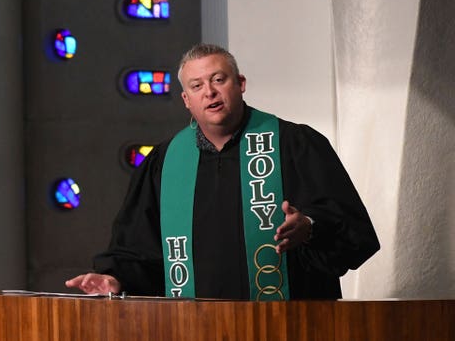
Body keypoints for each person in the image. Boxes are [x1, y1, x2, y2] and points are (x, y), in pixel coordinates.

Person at [65, 43, 379, 300]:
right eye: (197, 86)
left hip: (292, 325)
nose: (210, 92)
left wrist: (309, 228)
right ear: (187, 100)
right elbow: (137, 249)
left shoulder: (295, 144)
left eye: (219, 80)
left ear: (240, 84)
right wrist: (115, 279)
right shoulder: (164, 163)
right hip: (200, 329)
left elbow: (354, 231)